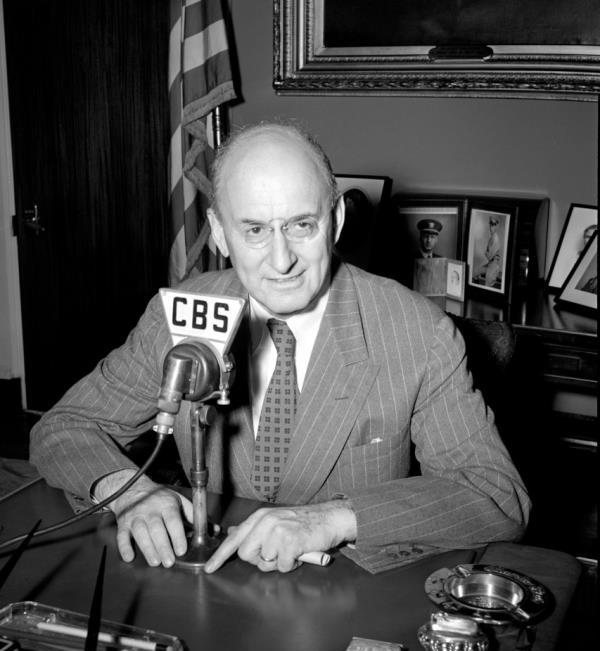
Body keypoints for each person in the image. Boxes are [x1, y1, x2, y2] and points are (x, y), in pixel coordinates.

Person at [30, 121, 529, 575]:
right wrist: (129, 491)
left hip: (343, 595)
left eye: (300, 225)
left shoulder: (417, 332)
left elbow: (495, 497)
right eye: (254, 230)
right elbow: (63, 427)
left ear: (334, 221)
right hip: (206, 585)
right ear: (221, 233)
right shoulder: (179, 315)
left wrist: (333, 519)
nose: (282, 259)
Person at [474, 216, 502, 287]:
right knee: (476, 272)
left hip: (494, 265)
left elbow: (489, 256)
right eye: (490, 224)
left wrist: (484, 251)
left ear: (496, 226)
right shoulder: (492, 237)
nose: (491, 226)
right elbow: (488, 254)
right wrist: (486, 251)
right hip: (490, 264)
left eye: (493, 224)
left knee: (487, 285)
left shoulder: (495, 239)